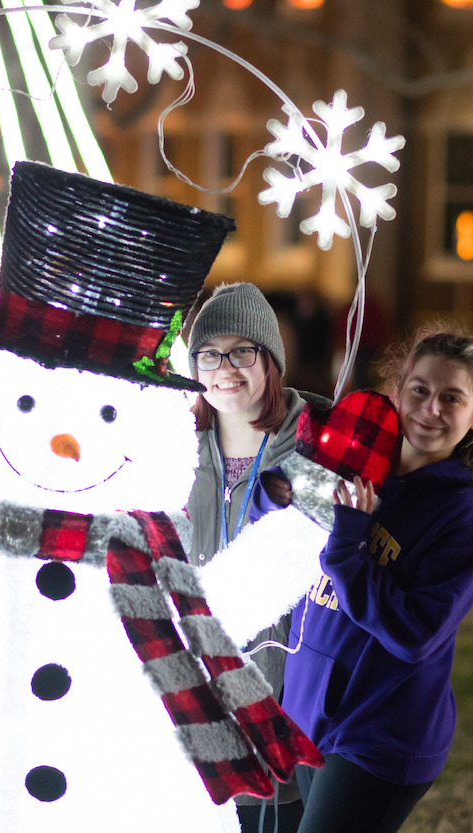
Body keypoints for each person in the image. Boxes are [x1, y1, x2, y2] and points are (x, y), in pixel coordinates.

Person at [255, 322, 473, 833]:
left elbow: (414, 636)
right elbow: (279, 539)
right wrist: (274, 495)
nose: (430, 409)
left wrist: (350, 545)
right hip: (308, 711)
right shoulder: (356, 458)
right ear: (399, 390)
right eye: (420, 390)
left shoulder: (463, 515)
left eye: (451, 398)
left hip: (381, 734)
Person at [184, 283, 329, 832]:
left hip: (289, 704)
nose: (225, 367)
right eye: (209, 353)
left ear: (271, 359)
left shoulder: (317, 443)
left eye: (242, 351)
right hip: (199, 714)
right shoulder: (176, 451)